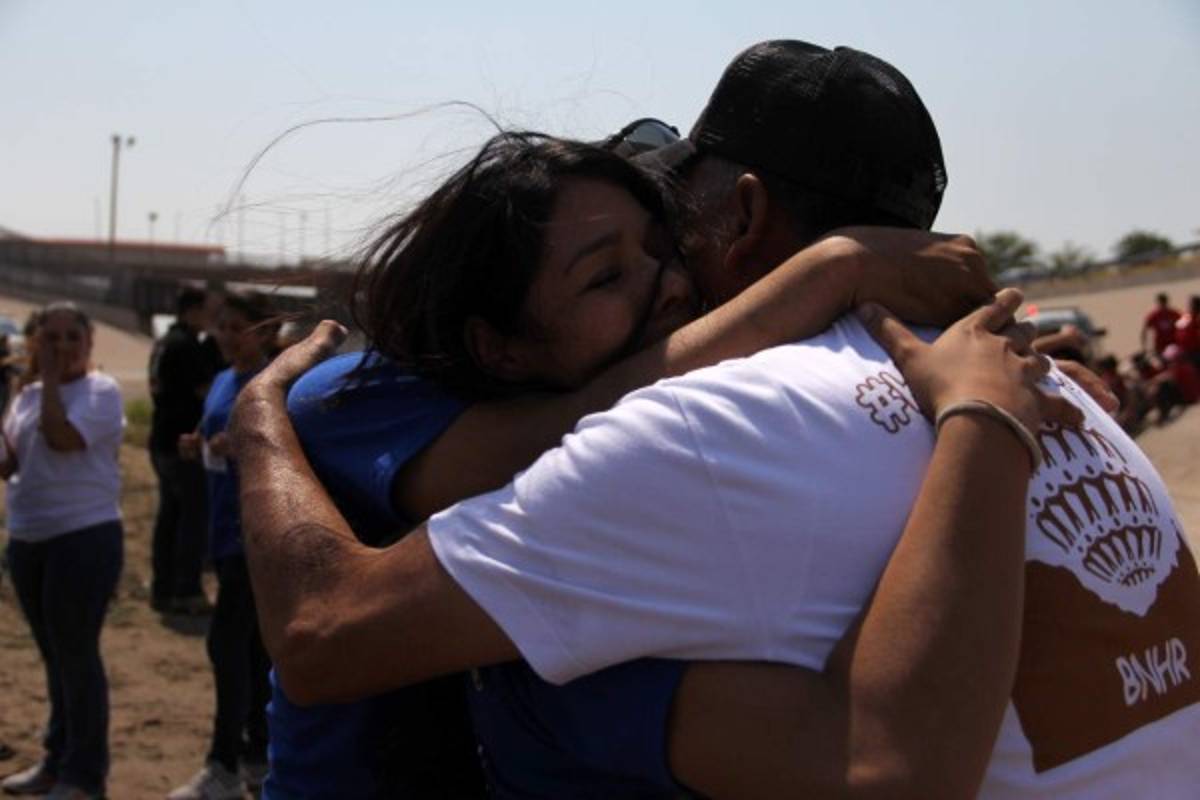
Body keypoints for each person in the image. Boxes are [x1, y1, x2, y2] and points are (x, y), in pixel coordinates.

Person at [237, 41, 1199, 798]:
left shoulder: (705, 425)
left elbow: (330, 631)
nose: (666, 273)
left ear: (739, 212)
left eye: (666, 224)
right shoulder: (1039, 385)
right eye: (609, 271)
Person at [259, 132, 998, 798]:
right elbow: (555, 433)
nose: (670, 282)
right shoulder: (354, 394)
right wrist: (259, 417)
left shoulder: (630, 515)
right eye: (604, 277)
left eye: (662, 246)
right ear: (498, 346)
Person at [0, 302, 124, 800]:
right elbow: (9, 465)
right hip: (28, 537)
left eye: (72, 337)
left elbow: (62, 438)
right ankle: (56, 760)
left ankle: (84, 774)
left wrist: (47, 380)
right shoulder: (25, 396)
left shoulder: (101, 391)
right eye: (49, 338)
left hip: (83, 536)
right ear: (33, 343)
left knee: (76, 657)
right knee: (55, 658)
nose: (62, 347)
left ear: (90, 342)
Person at [168, 293, 276, 800]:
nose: (228, 336)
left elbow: (295, 446)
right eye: (222, 327)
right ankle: (257, 756)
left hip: (256, 535)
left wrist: (247, 446)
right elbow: (211, 427)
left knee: (225, 646)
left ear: (265, 330)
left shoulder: (275, 383)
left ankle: (224, 764)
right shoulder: (222, 380)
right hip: (224, 527)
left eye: (238, 327)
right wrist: (196, 441)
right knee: (252, 651)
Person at [147, 287, 215, 615]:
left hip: (161, 438)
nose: (211, 318)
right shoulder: (186, 345)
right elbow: (205, 390)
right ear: (191, 311)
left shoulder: (164, 342)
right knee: (192, 519)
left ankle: (163, 588)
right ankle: (186, 590)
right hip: (182, 443)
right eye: (207, 311)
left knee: (170, 517)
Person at [1143, 291, 1181, 355]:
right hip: (1159, 345)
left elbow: (1184, 327)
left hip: (1173, 344)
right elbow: (1145, 331)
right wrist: (1144, 347)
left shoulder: (1174, 314)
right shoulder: (1153, 315)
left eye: (1164, 302)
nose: (1162, 304)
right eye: (1161, 302)